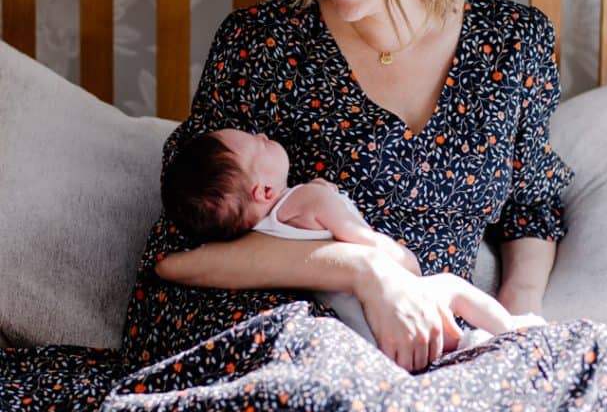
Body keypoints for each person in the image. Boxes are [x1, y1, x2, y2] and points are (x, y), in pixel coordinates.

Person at [156, 0, 572, 372]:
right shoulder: (262, 44)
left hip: (429, 343)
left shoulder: (514, 40)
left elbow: (528, 207)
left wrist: (516, 327)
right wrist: (364, 270)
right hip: (278, 329)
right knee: (332, 397)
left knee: (594, 367)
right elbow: (180, 254)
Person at [160, 126, 519, 350]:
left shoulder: (261, 230)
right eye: (259, 145)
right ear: (265, 189)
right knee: (451, 286)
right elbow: (359, 237)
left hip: (351, 325)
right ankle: (515, 332)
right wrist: (402, 260)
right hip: (388, 308)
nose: (264, 136)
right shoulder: (310, 200)